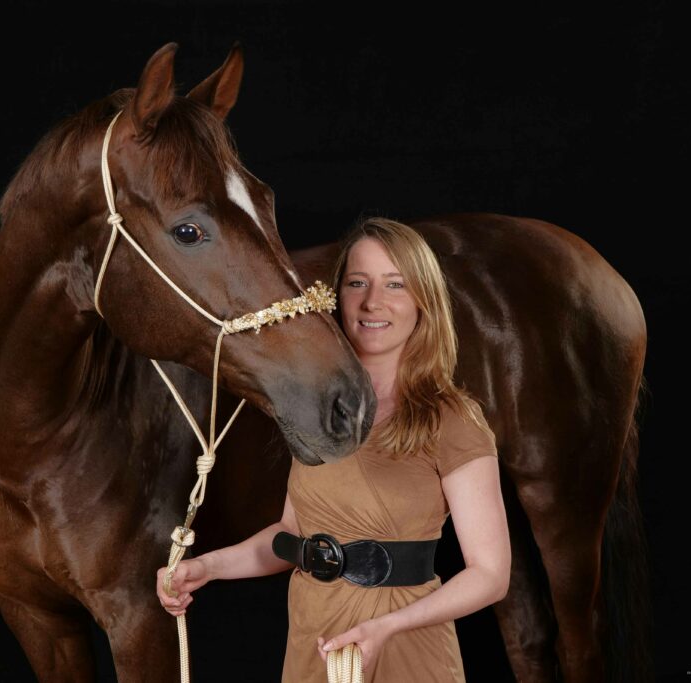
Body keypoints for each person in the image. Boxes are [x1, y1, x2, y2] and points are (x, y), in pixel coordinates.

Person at [156, 217, 510, 682]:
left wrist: (387, 627)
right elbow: (290, 534)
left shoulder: (453, 420)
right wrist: (208, 566)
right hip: (314, 636)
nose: (371, 302)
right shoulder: (315, 413)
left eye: (395, 285)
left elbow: (490, 574)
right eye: (356, 283)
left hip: (404, 641)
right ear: (338, 296)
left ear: (424, 301)